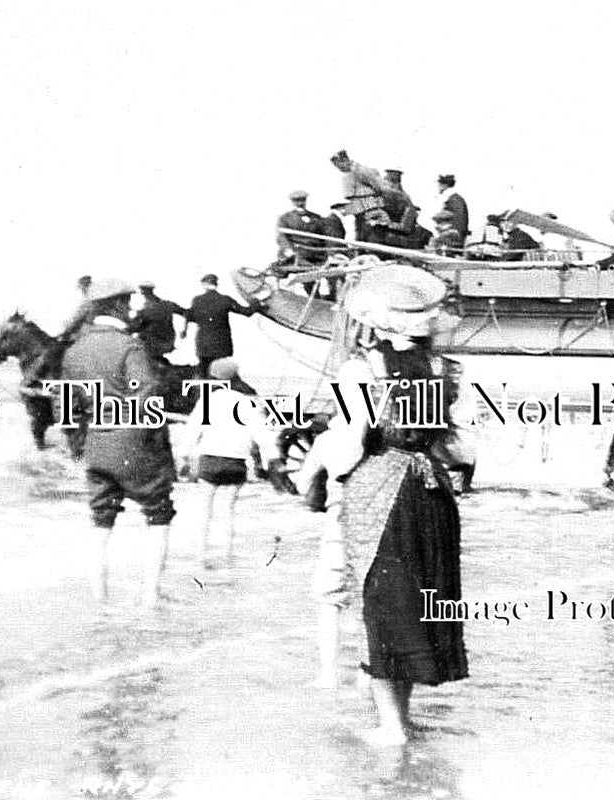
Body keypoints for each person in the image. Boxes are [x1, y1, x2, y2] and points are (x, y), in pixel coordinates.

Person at [301, 265, 466, 744]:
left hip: (380, 492)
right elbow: (461, 450)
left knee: (384, 606)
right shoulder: (447, 370)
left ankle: (390, 727)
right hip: (433, 494)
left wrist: (321, 473)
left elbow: (353, 442)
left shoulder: (362, 370)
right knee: (421, 601)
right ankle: (406, 717)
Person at [61, 278, 177, 608]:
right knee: (159, 514)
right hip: (134, 444)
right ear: (113, 305)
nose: (132, 309)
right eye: (127, 303)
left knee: (100, 523)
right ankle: (151, 597)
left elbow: (66, 408)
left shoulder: (75, 350)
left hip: (96, 445)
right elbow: (148, 392)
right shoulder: (130, 346)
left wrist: (81, 445)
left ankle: (101, 602)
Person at [182, 357, 295, 569]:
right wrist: (273, 459)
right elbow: (262, 436)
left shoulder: (207, 400)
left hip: (210, 461)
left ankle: (200, 556)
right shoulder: (246, 403)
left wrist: (184, 456)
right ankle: (226, 557)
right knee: (227, 511)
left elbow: (191, 432)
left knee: (205, 510)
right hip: (236, 463)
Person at [183, 274, 259, 377]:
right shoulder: (225, 300)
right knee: (221, 375)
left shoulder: (197, 300)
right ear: (216, 284)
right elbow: (247, 312)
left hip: (203, 345)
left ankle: (204, 392)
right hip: (222, 346)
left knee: (203, 374)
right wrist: (256, 302)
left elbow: (189, 316)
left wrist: (184, 331)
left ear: (204, 285)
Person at [329, 150, 393, 244]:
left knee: (372, 236)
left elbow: (379, 187)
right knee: (360, 236)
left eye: (340, 164)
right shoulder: (348, 174)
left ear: (345, 160)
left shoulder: (361, 170)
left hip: (371, 209)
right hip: (359, 212)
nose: (340, 168)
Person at [129, 281, 187, 362]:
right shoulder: (167, 304)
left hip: (152, 345)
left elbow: (135, 328)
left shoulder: (146, 310)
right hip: (168, 342)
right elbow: (186, 313)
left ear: (143, 293)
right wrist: (184, 330)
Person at [276, 190, 326, 266]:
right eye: (296, 201)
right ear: (292, 202)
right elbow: (281, 237)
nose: (300, 203)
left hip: (317, 254)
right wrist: (288, 250)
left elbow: (324, 236)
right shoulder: (285, 218)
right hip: (297, 254)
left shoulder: (316, 217)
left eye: (303, 200)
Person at [436, 175, 470, 241]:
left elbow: (459, 218)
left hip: (452, 235)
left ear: (444, 185)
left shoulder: (454, 199)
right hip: (451, 233)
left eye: (439, 184)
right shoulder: (453, 198)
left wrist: (437, 217)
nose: (438, 187)